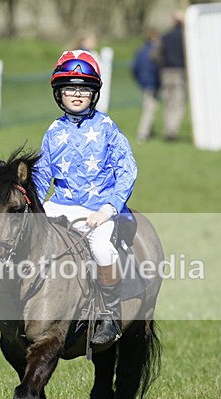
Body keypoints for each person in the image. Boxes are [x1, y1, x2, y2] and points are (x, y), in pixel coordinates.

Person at [32, 50, 138, 345]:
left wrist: (108, 208)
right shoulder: (53, 131)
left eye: (84, 88)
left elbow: (127, 170)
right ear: (58, 93)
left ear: (94, 93)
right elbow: (41, 177)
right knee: (24, 236)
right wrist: (34, 208)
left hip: (98, 208)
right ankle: (4, 301)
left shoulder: (106, 128)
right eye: (70, 88)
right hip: (60, 204)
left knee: (102, 248)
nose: (77, 94)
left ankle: (110, 315)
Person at [156, 10, 187, 141]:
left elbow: (156, 54)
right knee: (178, 104)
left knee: (168, 104)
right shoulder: (185, 37)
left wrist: (161, 65)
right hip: (179, 72)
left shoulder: (165, 36)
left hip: (165, 73)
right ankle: (172, 132)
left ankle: (168, 130)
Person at [132, 28, 161, 143]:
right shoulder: (154, 51)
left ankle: (149, 131)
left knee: (149, 106)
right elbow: (156, 69)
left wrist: (140, 80)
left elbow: (135, 68)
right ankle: (143, 134)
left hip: (143, 82)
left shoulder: (140, 50)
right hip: (151, 83)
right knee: (149, 108)